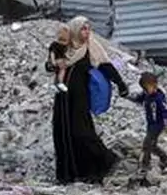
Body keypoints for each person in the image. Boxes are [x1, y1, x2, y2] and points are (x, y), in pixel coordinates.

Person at [48, 16, 128, 184]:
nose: (86, 32)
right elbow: (50, 64)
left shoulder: (90, 47)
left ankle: (103, 163)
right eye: (83, 29)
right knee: (62, 132)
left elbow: (105, 66)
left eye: (88, 28)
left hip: (79, 98)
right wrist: (52, 66)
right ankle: (68, 174)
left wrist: (120, 83)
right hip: (62, 98)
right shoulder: (65, 47)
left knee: (82, 132)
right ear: (75, 30)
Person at [130, 72, 167, 175]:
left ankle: (145, 166)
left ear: (154, 85)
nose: (145, 91)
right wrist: (129, 97)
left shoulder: (159, 98)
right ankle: (164, 158)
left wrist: (166, 122)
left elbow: (165, 110)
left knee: (147, 144)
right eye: (144, 89)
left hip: (158, 125)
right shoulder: (146, 94)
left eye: (147, 88)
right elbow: (139, 98)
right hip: (150, 124)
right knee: (153, 145)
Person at [46, 26, 70, 93]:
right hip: (52, 62)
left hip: (59, 61)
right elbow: (52, 53)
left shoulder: (65, 45)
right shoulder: (55, 45)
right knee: (61, 68)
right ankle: (59, 83)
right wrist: (53, 61)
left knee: (61, 70)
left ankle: (58, 83)